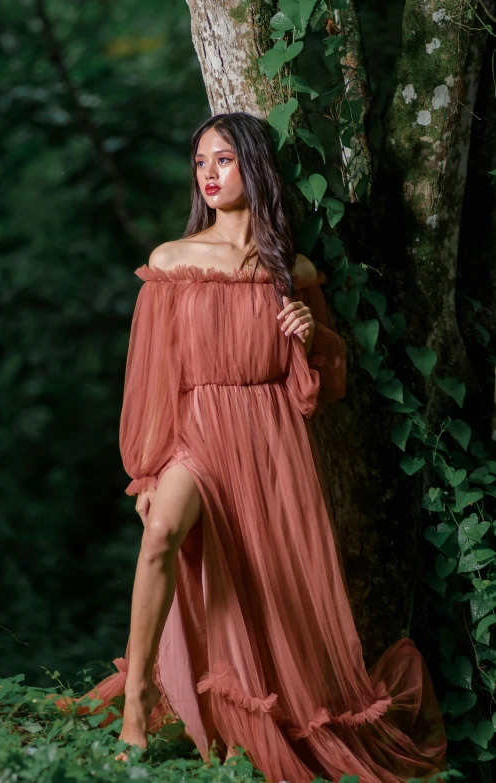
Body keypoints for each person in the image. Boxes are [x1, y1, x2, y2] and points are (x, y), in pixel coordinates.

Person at [49, 112, 447, 783]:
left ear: (254, 169)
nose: (207, 174)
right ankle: (139, 704)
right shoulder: (174, 262)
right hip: (195, 429)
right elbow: (155, 375)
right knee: (159, 536)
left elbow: (323, 388)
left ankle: (250, 708)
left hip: (267, 440)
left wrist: (312, 336)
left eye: (223, 160)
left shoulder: (292, 270)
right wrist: (147, 467)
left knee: (267, 587)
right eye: (200, 161)